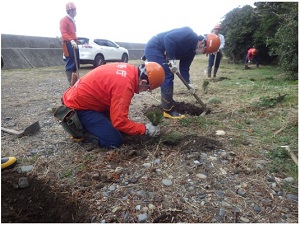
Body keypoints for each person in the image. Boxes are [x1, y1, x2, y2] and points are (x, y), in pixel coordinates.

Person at [57, 62, 165, 149]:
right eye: (148, 89)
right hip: (79, 107)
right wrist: (144, 129)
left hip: (80, 97)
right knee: (114, 141)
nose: (145, 91)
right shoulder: (125, 85)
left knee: (119, 129)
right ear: (143, 82)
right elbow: (119, 122)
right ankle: (82, 133)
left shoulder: (129, 70)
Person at [144, 26, 220, 119]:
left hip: (163, 52)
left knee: (168, 74)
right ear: (202, 42)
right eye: (204, 50)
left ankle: (168, 102)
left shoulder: (191, 52)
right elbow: (168, 38)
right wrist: (172, 60)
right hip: (154, 47)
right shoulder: (188, 33)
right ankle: (168, 110)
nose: (202, 52)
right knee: (167, 74)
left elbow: (184, 68)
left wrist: (188, 84)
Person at [59, 2, 79, 86]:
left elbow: (73, 33)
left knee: (76, 63)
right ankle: (71, 82)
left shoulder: (71, 20)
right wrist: (71, 40)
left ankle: (75, 81)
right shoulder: (64, 20)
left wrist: (76, 40)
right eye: (74, 10)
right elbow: (64, 32)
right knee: (70, 63)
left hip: (74, 44)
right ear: (70, 10)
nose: (75, 12)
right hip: (68, 44)